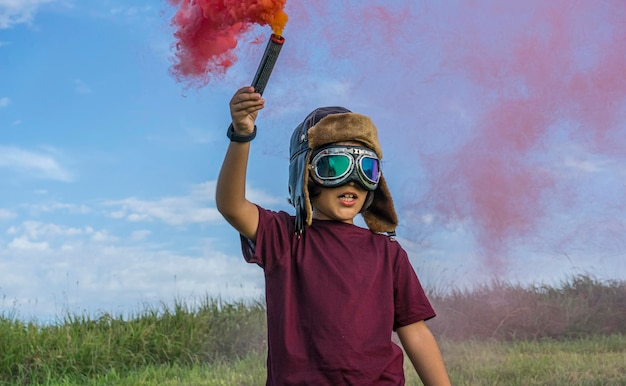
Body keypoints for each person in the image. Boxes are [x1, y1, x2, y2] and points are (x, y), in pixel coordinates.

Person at [216, 86, 451, 386]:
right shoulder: (285, 238)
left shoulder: (388, 252)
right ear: (305, 172)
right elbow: (232, 206)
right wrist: (241, 135)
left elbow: (414, 331)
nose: (352, 178)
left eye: (366, 168)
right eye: (335, 165)